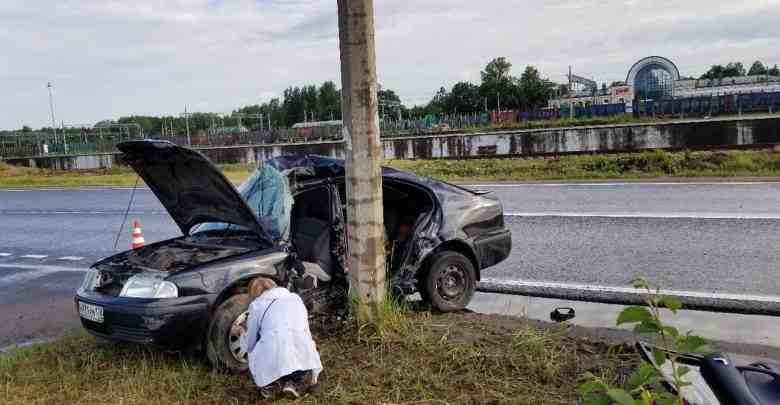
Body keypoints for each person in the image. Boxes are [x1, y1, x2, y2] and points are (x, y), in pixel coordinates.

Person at [233, 277, 323, 399]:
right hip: (304, 356)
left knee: (260, 342)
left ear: (253, 294)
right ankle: (292, 382)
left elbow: (250, 343)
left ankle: (272, 383)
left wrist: (240, 331)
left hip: (276, 357)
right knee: (292, 337)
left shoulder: (256, 306)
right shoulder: (295, 298)